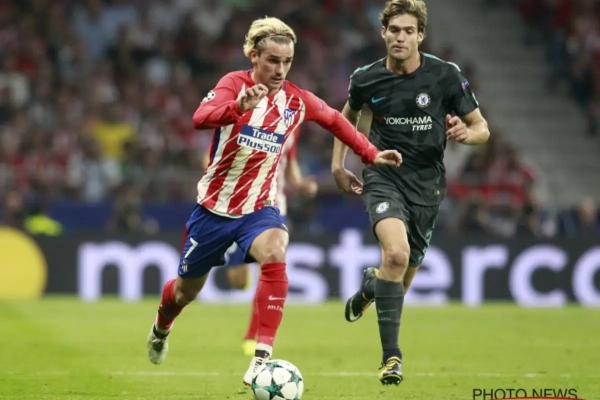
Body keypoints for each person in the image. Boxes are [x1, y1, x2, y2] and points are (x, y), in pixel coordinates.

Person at [146, 16, 402, 386]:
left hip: (260, 208)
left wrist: (370, 153)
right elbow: (200, 118)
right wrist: (237, 107)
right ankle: (161, 328)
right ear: (254, 56)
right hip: (213, 209)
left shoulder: (295, 100)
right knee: (186, 292)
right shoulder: (233, 84)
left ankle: (261, 358)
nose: (280, 70)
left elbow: (335, 119)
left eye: (287, 62)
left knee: (276, 250)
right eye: (272, 61)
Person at [330, 0, 490, 386]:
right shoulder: (366, 78)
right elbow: (346, 116)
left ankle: (372, 286)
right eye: (394, 30)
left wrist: (467, 135)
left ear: (421, 36)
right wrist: (339, 165)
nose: (400, 37)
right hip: (383, 176)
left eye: (408, 31)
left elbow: (482, 128)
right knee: (397, 254)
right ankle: (392, 358)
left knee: (398, 281)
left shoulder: (445, 75)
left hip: (428, 186)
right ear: (383, 33)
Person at [205, 131, 317, 357]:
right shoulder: (244, 120)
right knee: (237, 280)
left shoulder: (292, 125)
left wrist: (300, 184)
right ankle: (247, 270)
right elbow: (210, 157)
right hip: (240, 206)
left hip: (274, 208)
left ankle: (252, 335)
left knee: (268, 268)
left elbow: (290, 163)